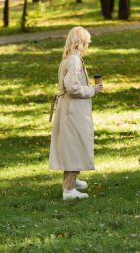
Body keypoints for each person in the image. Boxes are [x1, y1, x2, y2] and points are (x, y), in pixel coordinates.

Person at [49, 26, 103, 200]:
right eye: (86, 43)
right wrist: (92, 90)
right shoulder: (74, 60)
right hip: (72, 111)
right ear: (80, 42)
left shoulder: (69, 59)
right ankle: (69, 188)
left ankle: (73, 179)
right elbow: (72, 87)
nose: (87, 46)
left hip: (70, 109)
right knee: (73, 147)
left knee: (75, 144)